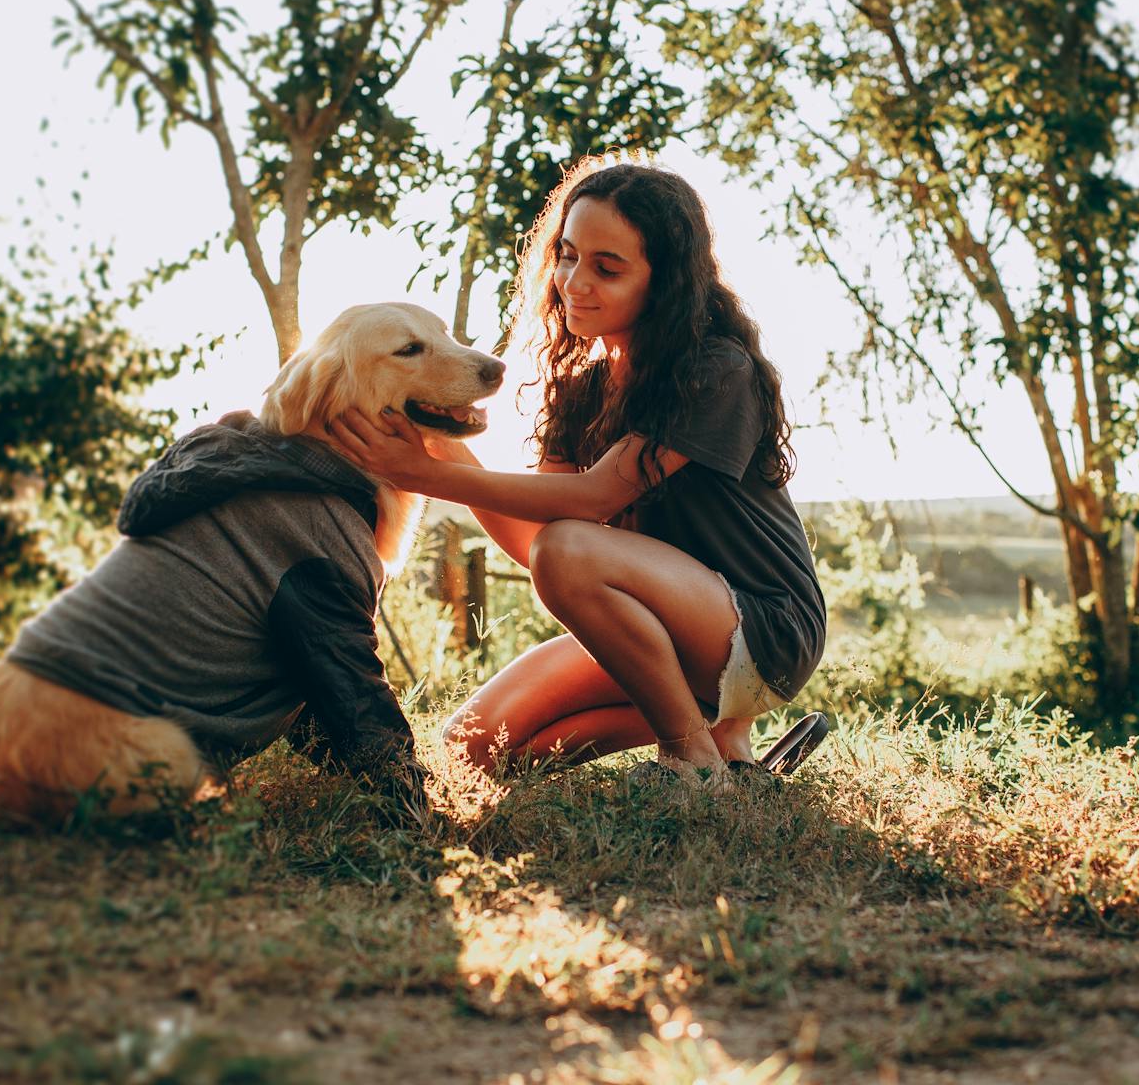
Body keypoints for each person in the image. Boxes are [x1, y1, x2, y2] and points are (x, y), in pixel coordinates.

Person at [327, 157, 826, 788]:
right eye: (566, 255)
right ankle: (722, 742)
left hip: (762, 628)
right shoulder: (583, 389)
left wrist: (420, 475)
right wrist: (439, 441)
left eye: (607, 268)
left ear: (665, 282)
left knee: (572, 544)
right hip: (660, 632)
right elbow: (536, 544)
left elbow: (588, 503)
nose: (574, 281)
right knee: (473, 748)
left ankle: (694, 764)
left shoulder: (715, 369)